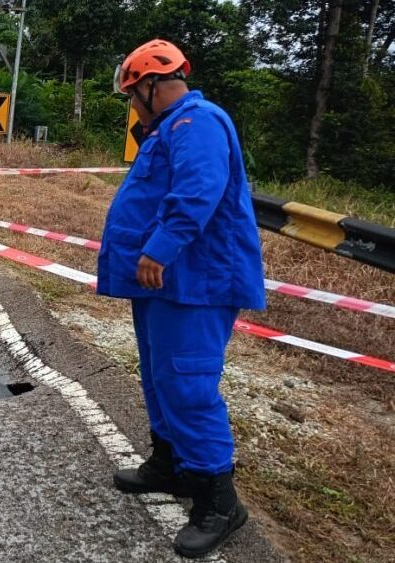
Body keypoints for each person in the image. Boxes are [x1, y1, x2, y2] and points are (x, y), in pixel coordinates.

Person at [99, 39, 266, 558]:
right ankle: (168, 463)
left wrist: (161, 248)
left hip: (195, 281)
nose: (131, 104)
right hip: (163, 283)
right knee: (159, 376)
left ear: (151, 86)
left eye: (132, 94)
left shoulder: (199, 122)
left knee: (189, 386)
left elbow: (199, 190)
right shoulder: (166, 129)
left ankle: (219, 500)